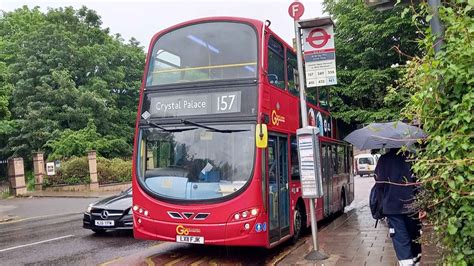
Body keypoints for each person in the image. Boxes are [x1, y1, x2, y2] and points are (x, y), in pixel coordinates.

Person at [374, 148, 421, 266]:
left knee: (400, 238)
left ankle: (407, 263)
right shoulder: (413, 158)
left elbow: (379, 185)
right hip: (412, 205)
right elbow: (420, 183)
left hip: (392, 206)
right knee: (413, 235)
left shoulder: (384, 159)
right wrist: (422, 206)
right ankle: (415, 260)